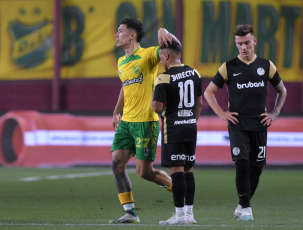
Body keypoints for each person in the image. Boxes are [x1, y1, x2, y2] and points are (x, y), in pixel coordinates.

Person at [204, 24, 287, 221]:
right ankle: (248, 210)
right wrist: (221, 113)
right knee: (241, 164)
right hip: (238, 125)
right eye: (240, 44)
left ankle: (242, 203)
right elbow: (208, 92)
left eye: (247, 43)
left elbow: (282, 90)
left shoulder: (267, 65)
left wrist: (274, 113)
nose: (244, 47)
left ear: (255, 41)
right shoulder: (229, 67)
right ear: (236, 43)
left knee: (256, 168)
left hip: (259, 124)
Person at [110, 18, 180, 224]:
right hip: (126, 123)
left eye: (120, 31)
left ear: (132, 35)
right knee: (116, 164)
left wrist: (163, 29)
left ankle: (183, 196)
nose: (116, 34)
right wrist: (116, 111)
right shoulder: (121, 62)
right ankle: (130, 212)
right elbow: (125, 86)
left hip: (145, 123)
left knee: (144, 172)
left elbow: (175, 49)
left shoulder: (148, 55)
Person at [152, 39, 202, 225]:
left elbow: (157, 108)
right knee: (189, 170)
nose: (160, 61)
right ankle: (190, 215)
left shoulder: (164, 77)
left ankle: (180, 216)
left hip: (173, 128)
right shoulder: (195, 73)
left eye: (160, 57)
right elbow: (199, 104)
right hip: (191, 126)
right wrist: (191, 121)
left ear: (166, 55)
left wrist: (153, 99)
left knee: (176, 171)